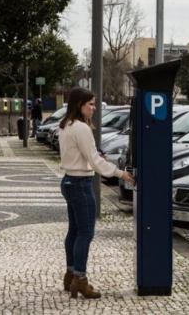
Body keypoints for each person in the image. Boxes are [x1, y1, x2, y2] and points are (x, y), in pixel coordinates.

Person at [58, 87, 135, 299]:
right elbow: (94, 161)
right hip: (81, 184)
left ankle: (70, 274)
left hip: (68, 181)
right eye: (90, 104)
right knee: (85, 233)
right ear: (79, 105)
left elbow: (83, 154)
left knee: (74, 231)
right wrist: (121, 173)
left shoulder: (65, 125)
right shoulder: (82, 128)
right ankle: (80, 280)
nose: (94, 108)